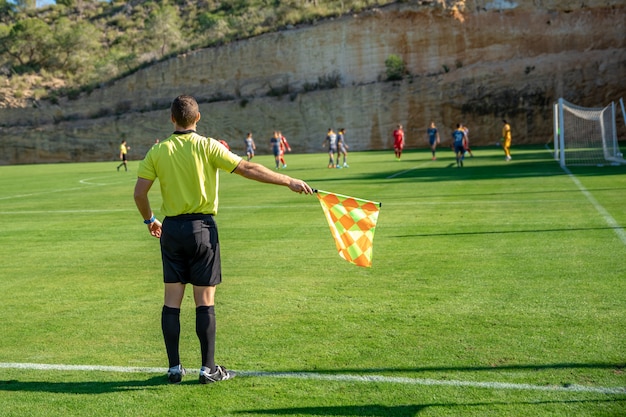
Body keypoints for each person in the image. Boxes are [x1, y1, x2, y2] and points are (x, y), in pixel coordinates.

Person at [133, 95, 313, 385]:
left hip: (171, 230)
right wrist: (288, 180)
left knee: (172, 302)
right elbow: (248, 169)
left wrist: (150, 220)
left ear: (171, 119)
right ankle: (208, 369)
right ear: (198, 117)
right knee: (204, 301)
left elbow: (139, 194)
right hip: (202, 228)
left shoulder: (158, 151)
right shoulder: (207, 146)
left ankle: (174, 369)